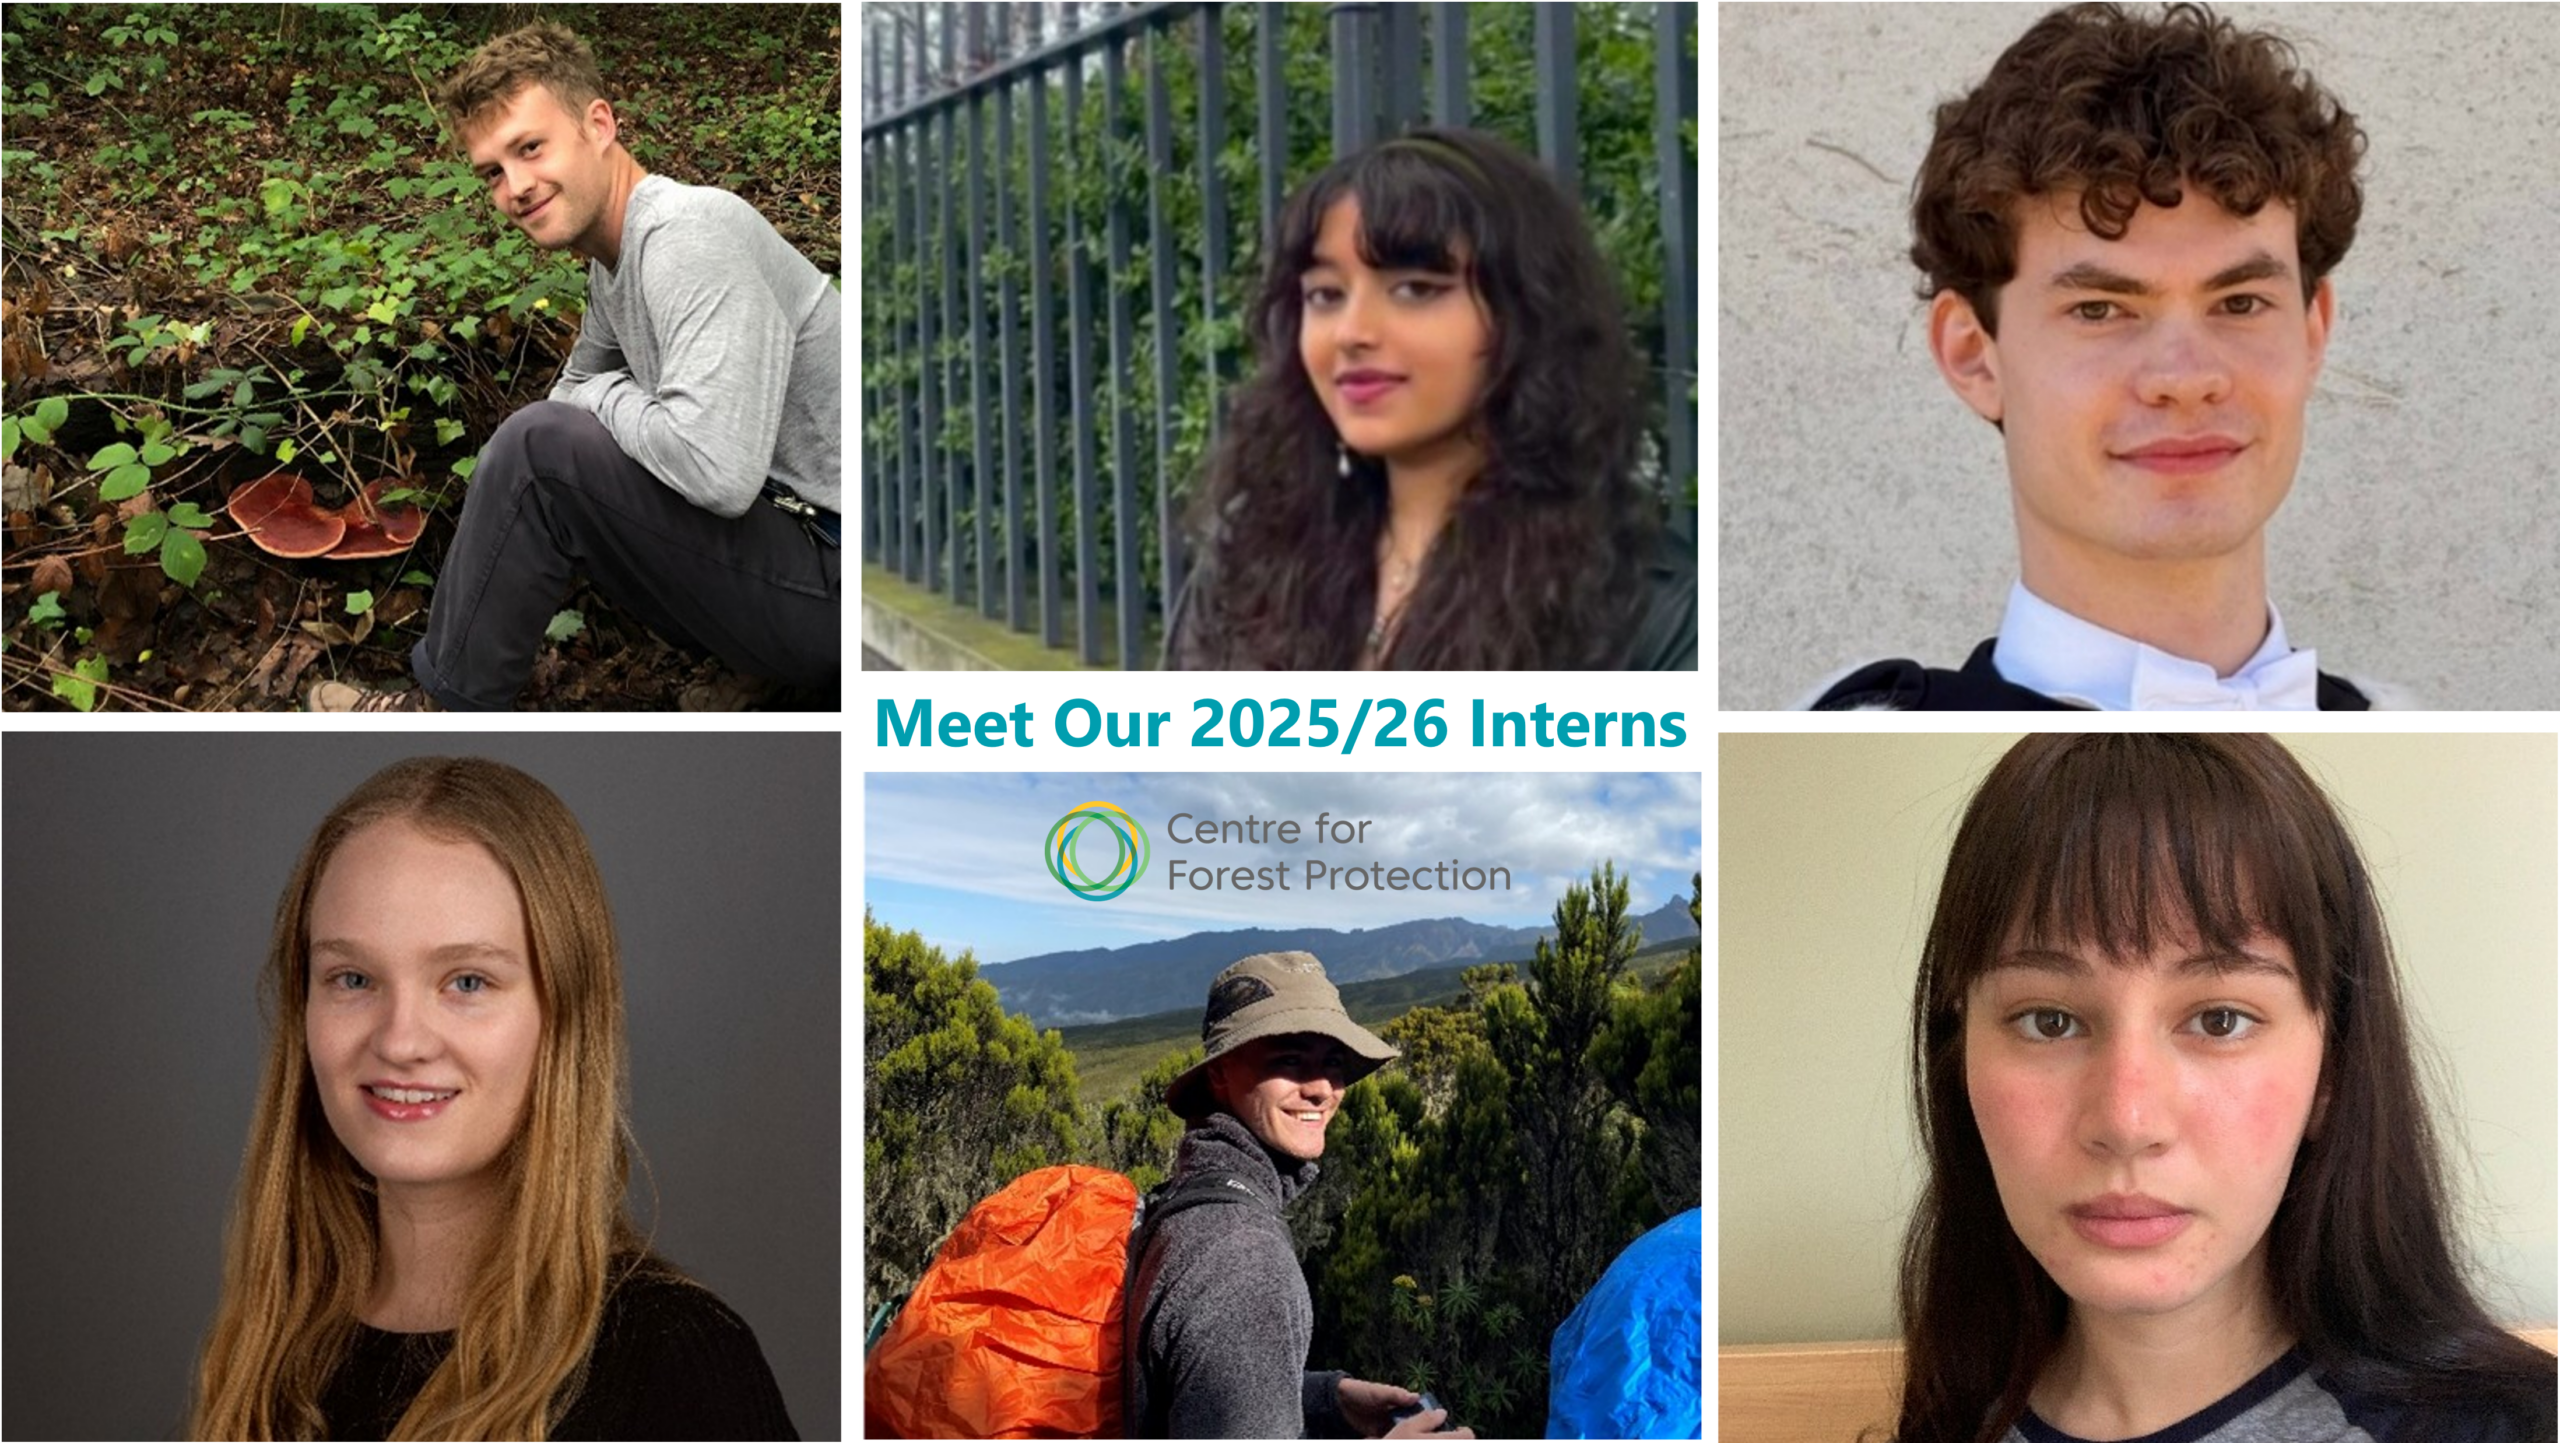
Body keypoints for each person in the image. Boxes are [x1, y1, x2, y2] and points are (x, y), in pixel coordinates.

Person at [1896, 734, 2555, 1442]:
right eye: (2049, 1020)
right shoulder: (1953, 1420)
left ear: (2331, 1069)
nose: (2127, 1118)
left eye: (2219, 1018)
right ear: (1958, 1053)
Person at [1809, 4, 2405, 710]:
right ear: (1974, 355)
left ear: (2312, 332)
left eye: (2240, 302)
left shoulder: (2420, 743)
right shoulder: (1864, 735)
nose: (2186, 379)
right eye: (2100, 310)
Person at [189, 757, 796, 1439]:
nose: (402, 1039)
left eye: (468, 982)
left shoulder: (676, 1366)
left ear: (564, 1012)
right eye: (353, 977)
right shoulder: (269, 1347)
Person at [310, 22, 839, 712]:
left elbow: (712, 470)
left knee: (537, 453)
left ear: (599, 125)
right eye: (493, 173)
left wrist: (610, 391)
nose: (516, 188)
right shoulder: (613, 266)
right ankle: (756, 669)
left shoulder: (688, 235)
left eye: (531, 148)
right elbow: (570, 398)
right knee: (559, 449)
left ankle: (442, 713)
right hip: (809, 557)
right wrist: (599, 397)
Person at [1164, 126, 1695, 671]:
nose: (1352, 332)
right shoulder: (1252, 560)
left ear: (1526, 314)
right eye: (1325, 295)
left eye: (1416, 289)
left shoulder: (1648, 609)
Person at [1126, 951, 1475, 1439]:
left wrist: (1326, 1400)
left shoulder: (1184, 1202)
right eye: (1288, 1061)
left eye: (1334, 1063)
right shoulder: (1245, 1260)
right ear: (1219, 1074)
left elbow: (1187, 1381)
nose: (1321, 1089)